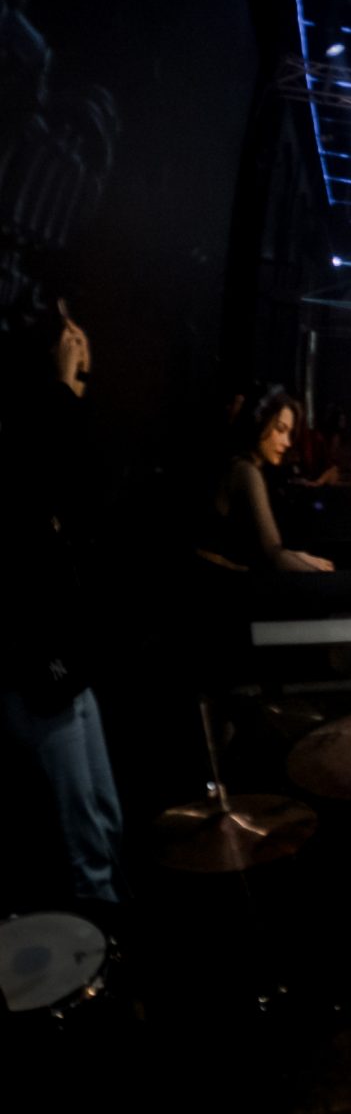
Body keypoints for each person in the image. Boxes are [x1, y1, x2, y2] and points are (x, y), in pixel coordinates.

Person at [0, 302, 124, 908]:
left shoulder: (42, 424)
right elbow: (38, 481)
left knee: (105, 820)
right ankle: (98, 951)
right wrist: (62, 386)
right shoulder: (18, 436)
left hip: (64, 664)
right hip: (35, 671)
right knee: (84, 848)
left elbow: (83, 482)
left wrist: (75, 384)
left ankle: (109, 935)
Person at [209, 388, 335, 573]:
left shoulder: (242, 465)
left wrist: (298, 555)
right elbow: (273, 556)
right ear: (259, 422)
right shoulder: (245, 470)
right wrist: (328, 581)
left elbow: (262, 551)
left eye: (289, 433)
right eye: (280, 429)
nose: (287, 442)